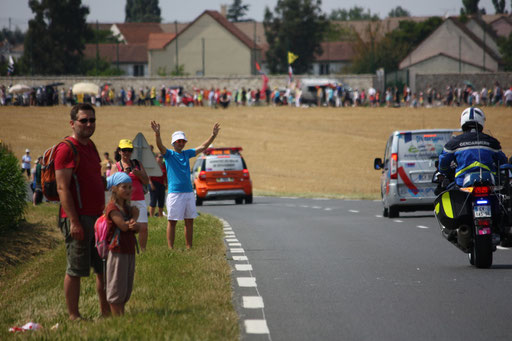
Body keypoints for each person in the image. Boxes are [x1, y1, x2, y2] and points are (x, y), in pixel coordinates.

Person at [54, 103, 109, 320]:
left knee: (102, 267)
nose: (88, 124)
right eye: (83, 120)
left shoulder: (91, 146)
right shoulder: (66, 149)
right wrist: (75, 222)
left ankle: (106, 312)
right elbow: (62, 187)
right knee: (75, 268)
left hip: (98, 217)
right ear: (72, 123)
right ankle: (74, 316)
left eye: (92, 120)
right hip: (78, 218)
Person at [150, 120, 220, 249]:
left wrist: (213, 135)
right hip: (175, 193)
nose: (181, 143)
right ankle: (171, 248)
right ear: (174, 143)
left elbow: (203, 147)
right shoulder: (169, 154)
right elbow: (160, 146)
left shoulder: (187, 153)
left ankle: (189, 247)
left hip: (188, 192)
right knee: (172, 221)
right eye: (179, 141)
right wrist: (157, 135)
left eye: (183, 141)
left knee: (189, 220)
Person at [438, 107, 508, 187]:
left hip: (462, 184)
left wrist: (445, 171)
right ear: (481, 121)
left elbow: (443, 162)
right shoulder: (492, 142)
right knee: (503, 196)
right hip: (489, 184)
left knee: (448, 193)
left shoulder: (453, 143)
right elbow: (503, 161)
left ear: (462, 121)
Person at [105, 172, 140, 316]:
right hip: (117, 251)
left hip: (128, 250)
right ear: (114, 189)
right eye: (124, 187)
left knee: (125, 286)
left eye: (130, 187)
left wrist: (134, 223)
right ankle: (117, 318)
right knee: (116, 286)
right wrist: (133, 221)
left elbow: (136, 228)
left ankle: (121, 315)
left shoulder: (127, 208)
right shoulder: (112, 208)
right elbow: (124, 227)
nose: (128, 190)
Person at [110, 139, 150, 251]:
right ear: (119, 151)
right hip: (123, 202)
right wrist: (124, 175)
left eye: (129, 150)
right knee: (125, 227)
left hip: (139, 199)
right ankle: (125, 249)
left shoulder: (137, 163)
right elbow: (112, 186)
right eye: (124, 150)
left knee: (143, 228)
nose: (127, 152)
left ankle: (143, 251)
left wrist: (139, 174)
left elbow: (146, 181)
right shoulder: (116, 166)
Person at [149, 153, 167, 217]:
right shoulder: (153, 166)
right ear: (156, 158)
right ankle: (151, 216)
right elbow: (149, 176)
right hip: (154, 183)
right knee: (153, 201)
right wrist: (151, 184)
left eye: (162, 157)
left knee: (161, 201)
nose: (161, 158)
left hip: (162, 184)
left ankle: (160, 215)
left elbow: (165, 176)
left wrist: (166, 184)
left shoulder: (164, 165)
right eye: (160, 157)